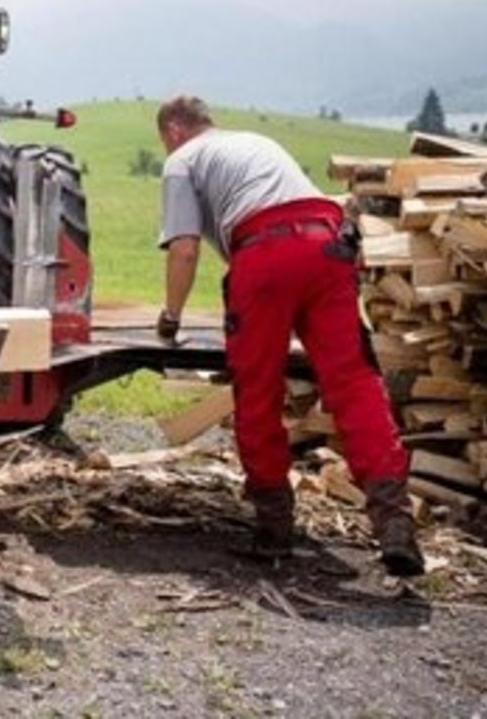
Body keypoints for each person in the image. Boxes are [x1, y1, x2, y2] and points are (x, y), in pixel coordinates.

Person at [154, 94, 424, 576]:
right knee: (355, 382)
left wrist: (170, 318)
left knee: (257, 387)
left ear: (173, 131)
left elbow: (185, 249)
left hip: (266, 253)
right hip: (329, 243)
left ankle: (274, 530)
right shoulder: (251, 142)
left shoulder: (181, 159)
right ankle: (396, 524)